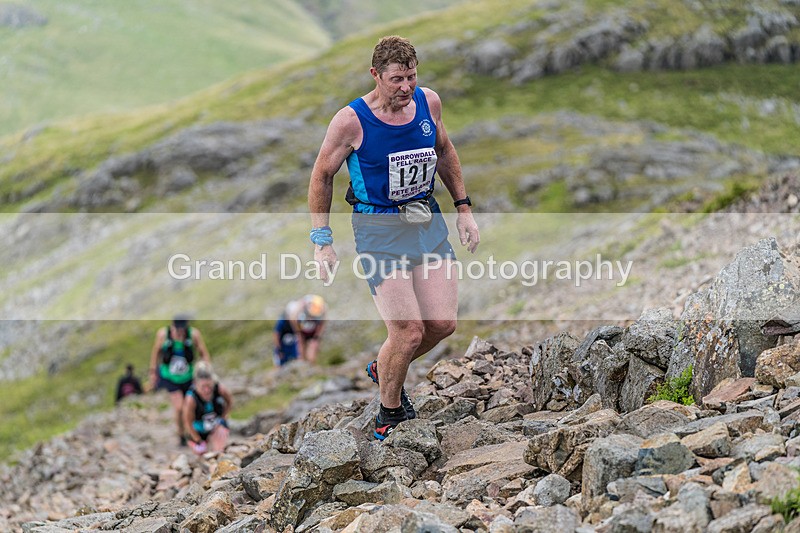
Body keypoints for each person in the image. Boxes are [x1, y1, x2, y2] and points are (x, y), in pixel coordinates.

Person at [307, 36, 479, 440]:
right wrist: (322, 238)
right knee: (407, 332)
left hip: (426, 220)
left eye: (412, 78)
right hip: (378, 230)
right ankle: (390, 411)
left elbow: (446, 151)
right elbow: (321, 175)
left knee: (441, 323)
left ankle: (384, 366)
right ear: (376, 76)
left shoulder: (428, 103)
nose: (406, 87)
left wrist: (464, 209)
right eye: (397, 79)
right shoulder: (350, 121)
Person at [149, 316, 211, 446]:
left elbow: (203, 352)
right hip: (169, 376)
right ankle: (181, 434)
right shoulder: (163, 334)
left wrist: (206, 369)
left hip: (188, 376)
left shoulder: (193, 334)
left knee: (189, 405)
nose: (181, 331)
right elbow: (156, 352)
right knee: (179, 407)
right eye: (178, 328)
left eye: (183, 327)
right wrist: (153, 372)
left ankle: (191, 432)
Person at [182, 362, 233, 455]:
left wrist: (224, 416)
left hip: (215, 425)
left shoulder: (220, 389)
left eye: (209, 386)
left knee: (218, 452)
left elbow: (229, 401)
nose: (207, 390)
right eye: (203, 387)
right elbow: (188, 423)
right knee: (202, 453)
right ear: (196, 384)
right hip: (198, 429)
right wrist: (198, 440)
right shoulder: (191, 399)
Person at [273, 294, 327, 366]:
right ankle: (302, 365)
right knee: (300, 347)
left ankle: (311, 365)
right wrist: (298, 331)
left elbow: (323, 323)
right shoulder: (299, 308)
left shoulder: (323, 309)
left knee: (313, 347)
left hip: (311, 329)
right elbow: (293, 320)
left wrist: (317, 336)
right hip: (301, 327)